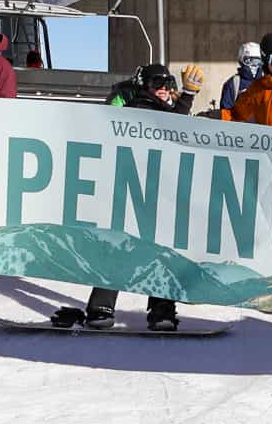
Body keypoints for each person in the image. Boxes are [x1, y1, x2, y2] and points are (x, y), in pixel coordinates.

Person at [56, 62, 205, 332]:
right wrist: (187, 97)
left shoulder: (164, 110)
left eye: (167, 84)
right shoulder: (138, 109)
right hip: (128, 192)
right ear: (143, 87)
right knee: (121, 247)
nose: (163, 90)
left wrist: (186, 97)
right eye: (156, 84)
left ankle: (153, 308)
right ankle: (112, 307)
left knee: (159, 250)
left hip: (157, 193)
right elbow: (171, 127)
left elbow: (176, 127)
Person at [218, 41, 264, 111]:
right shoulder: (234, 84)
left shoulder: (267, 82)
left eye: (257, 61)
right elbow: (226, 111)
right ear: (242, 60)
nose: (254, 65)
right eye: (249, 61)